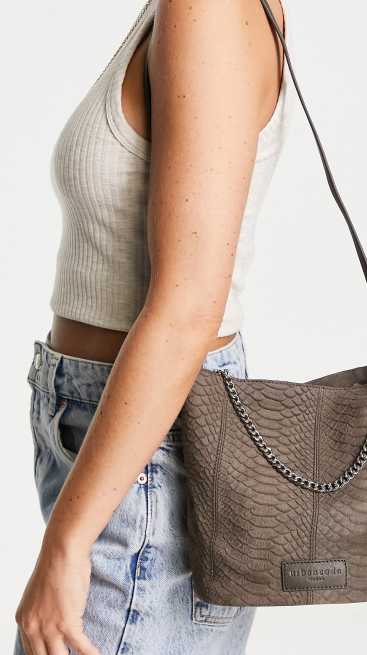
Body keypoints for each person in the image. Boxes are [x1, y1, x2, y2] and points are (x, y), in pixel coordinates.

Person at [13, 0, 292, 653]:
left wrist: (68, 542)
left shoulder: (210, 11)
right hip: (119, 436)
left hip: (145, 452)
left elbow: (189, 306)